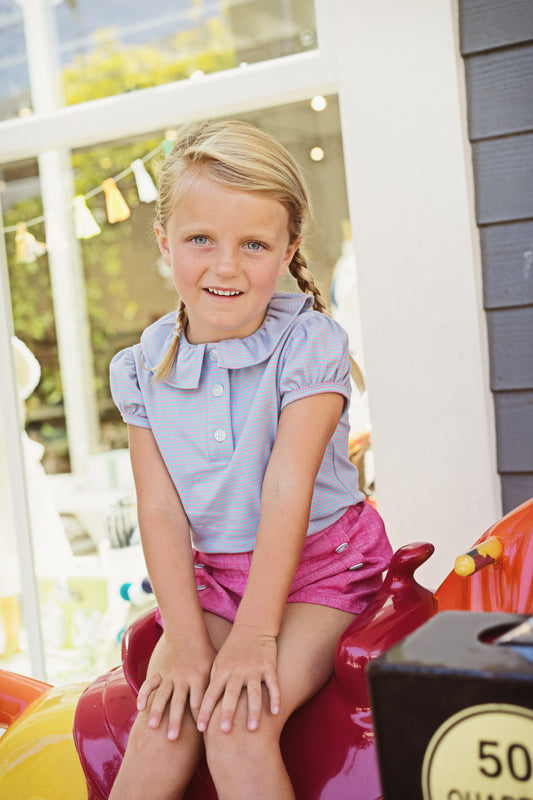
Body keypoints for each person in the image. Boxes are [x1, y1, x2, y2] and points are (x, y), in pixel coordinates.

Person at [108, 120, 392, 800]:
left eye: (254, 244)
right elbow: (161, 510)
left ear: (288, 248)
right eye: (200, 238)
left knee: (236, 726)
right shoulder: (140, 368)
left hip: (321, 571)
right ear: (164, 242)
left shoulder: (309, 345)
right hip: (218, 582)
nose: (225, 265)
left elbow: (286, 488)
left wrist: (255, 636)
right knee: (162, 722)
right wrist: (184, 638)